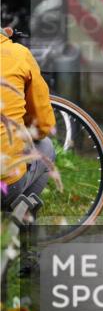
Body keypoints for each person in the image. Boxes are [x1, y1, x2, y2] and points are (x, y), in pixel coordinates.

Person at [1, 26, 56, 216]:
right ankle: (20, 225)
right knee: (46, 146)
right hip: (5, 185)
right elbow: (43, 126)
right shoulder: (19, 54)